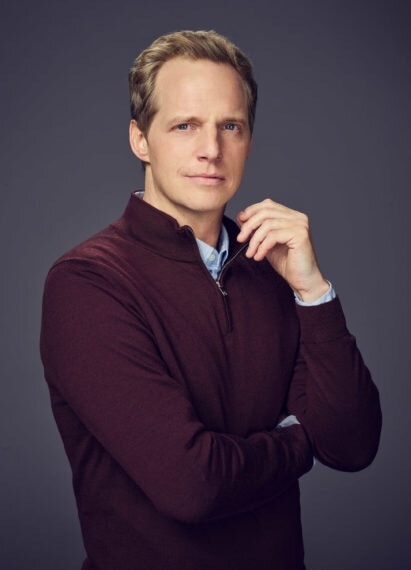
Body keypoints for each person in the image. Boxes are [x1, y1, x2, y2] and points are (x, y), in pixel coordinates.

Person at [40, 30, 382, 570]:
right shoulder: (88, 282)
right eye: (185, 125)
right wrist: (300, 442)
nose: (211, 150)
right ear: (140, 140)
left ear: (248, 139)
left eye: (230, 126)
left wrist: (313, 292)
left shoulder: (271, 270)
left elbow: (352, 444)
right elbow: (192, 484)